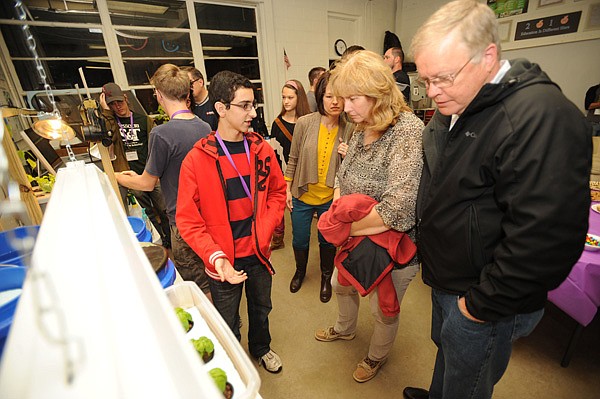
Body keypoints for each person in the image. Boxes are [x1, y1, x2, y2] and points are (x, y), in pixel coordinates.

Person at [403, 1, 591, 399]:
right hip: (449, 278)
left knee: (467, 386)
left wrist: (476, 307)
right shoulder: (463, 101)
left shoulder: (542, 118)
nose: (432, 92)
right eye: (426, 80)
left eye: (443, 78)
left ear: (488, 56)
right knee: (449, 359)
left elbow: (545, 244)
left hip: (482, 299)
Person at [313, 50, 423, 383]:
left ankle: (376, 357)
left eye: (352, 99)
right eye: (342, 99)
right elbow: (344, 178)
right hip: (356, 237)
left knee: (383, 308)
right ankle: (345, 330)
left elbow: (398, 209)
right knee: (340, 284)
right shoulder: (361, 128)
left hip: (393, 245)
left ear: (378, 93)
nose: (345, 108)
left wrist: (342, 230)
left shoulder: (408, 131)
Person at [176, 70, 287, 373]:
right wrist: (216, 255)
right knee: (226, 317)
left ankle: (261, 348)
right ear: (221, 109)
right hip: (223, 259)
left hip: (258, 252)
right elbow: (187, 219)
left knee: (261, 308)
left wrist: (266, 229)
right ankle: (235, 359)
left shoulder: (261, 149)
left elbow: (278, 192)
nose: (253, 113)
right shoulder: (197, 160)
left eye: (254, 105)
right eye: (245, 106)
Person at [114, 64, 213, 297]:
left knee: (196, 281)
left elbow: (147, 183)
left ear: (158, 94)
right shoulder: (205, 127)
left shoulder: (161, 134)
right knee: (211, 269)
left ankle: (213, 326)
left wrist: (118, 176)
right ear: (187, 93)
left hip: (183, 220)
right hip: (208, 214)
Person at [284, 71, 354, 302]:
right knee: (300, 238)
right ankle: (300, 271)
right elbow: (293, 158)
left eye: (340, 97)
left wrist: (348, 155)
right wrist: (286, 188)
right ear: (320, 97)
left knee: (327, 240)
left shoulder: (350, 128)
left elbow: (353, 171)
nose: (335, 102)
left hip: (330, 198)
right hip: (302, 194)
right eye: (329, 96)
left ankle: (326, 276)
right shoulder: (305, 123)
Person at [100, 82, 171, 248]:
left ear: (126, 99)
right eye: (112, 104)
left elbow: (156, 146)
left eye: (120, 102)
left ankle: (170, 241)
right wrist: (106, 113)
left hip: (150, 173)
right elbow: (106, 139)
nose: (118, 107)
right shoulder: (111, 123)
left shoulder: (143, 120)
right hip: (130, 177)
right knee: (145, 214)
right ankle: (158, 242)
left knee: (165, 210)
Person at [269, 79, 311, 250]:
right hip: (285, 172)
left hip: (307, 173)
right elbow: (274, 153)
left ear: (298, 98)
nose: (286, 101)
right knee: (281, 207)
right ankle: (279, 238)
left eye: (290, 97)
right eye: (283, 97)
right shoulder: (277, 123)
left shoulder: (309, 121)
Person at [181, 66, 218, 131]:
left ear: (200, 82)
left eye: (190, 84)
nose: (187, 88)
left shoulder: (216, 101)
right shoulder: (184, 105)